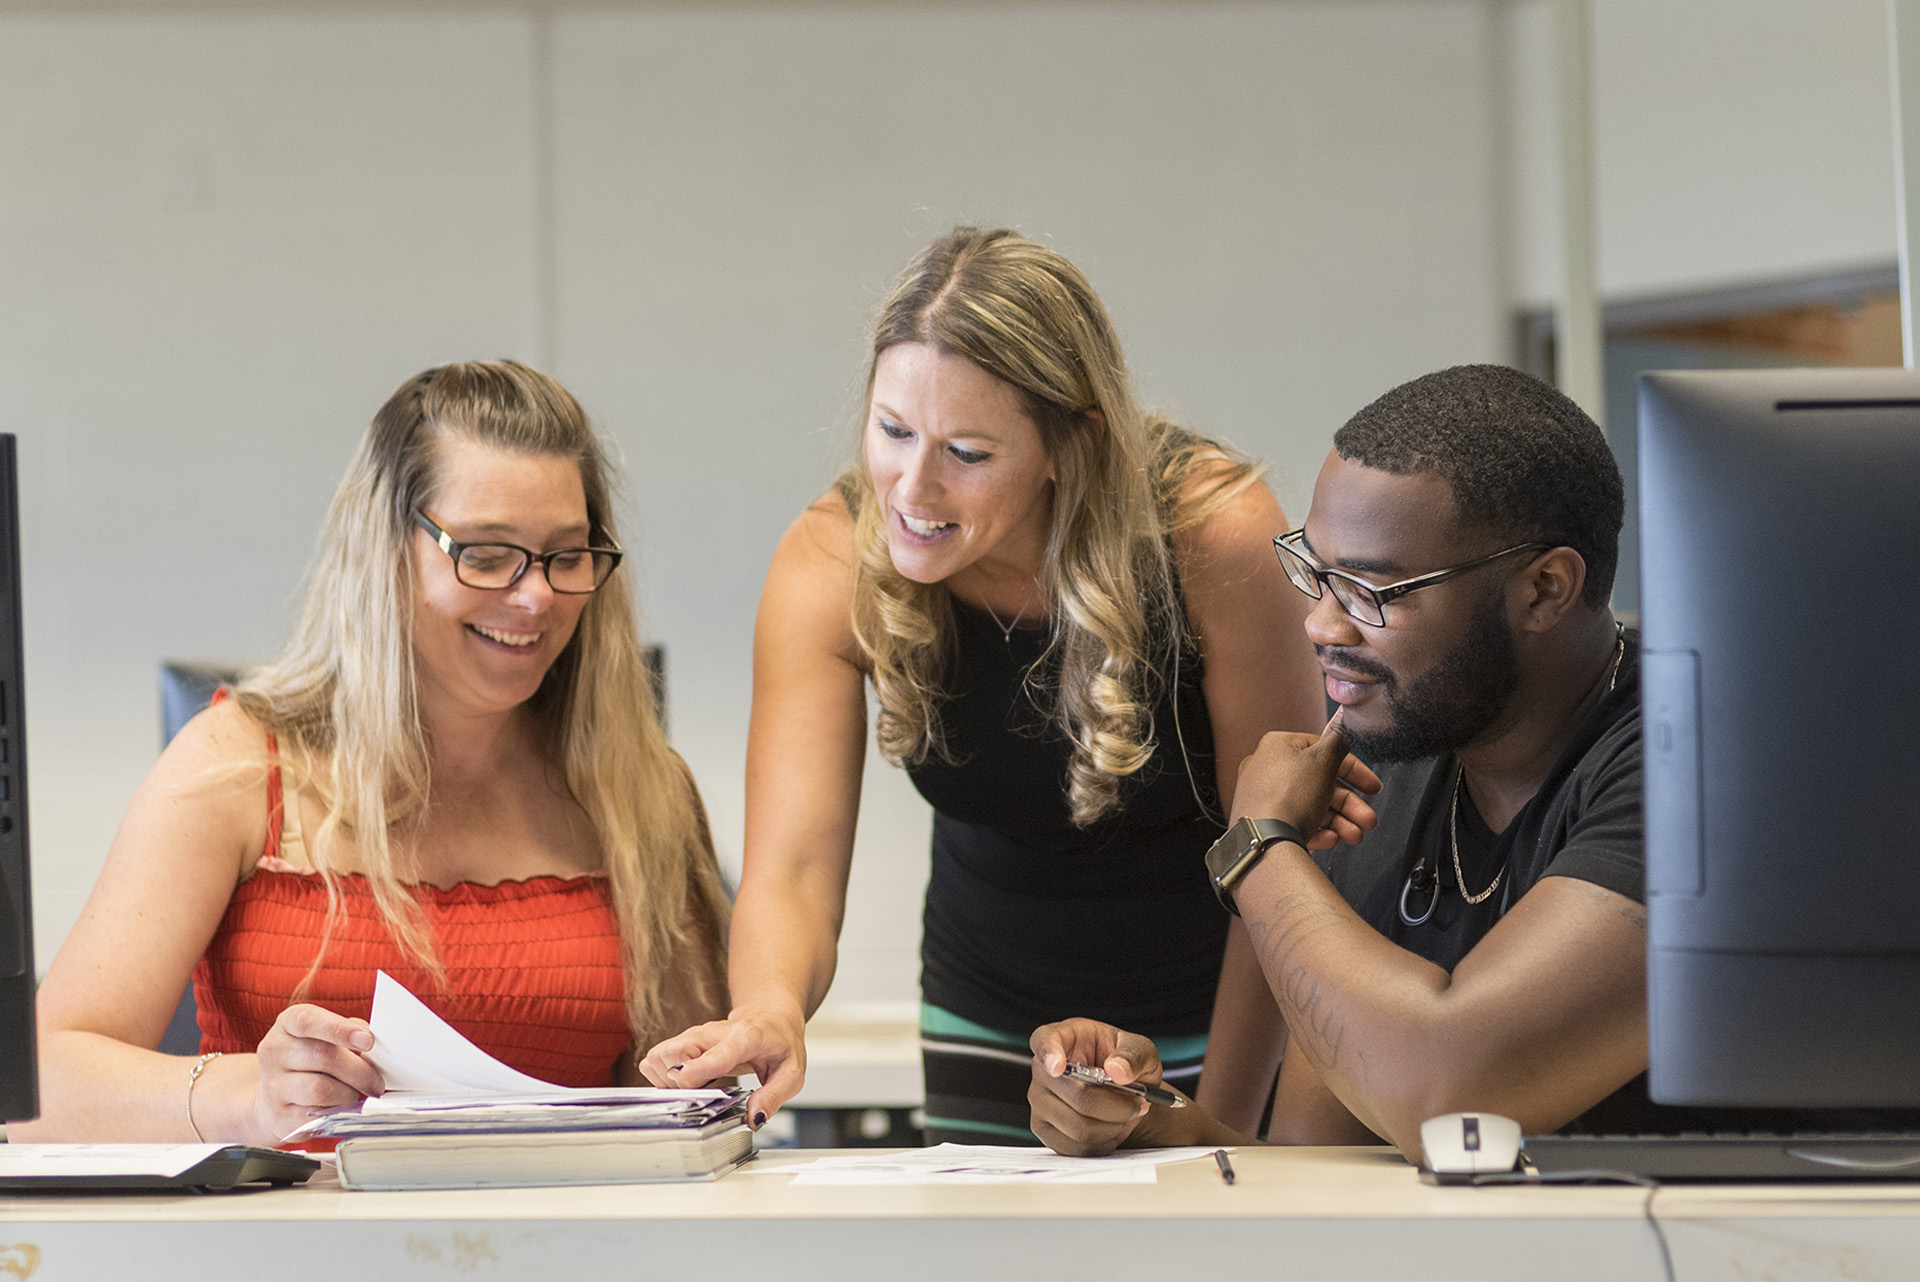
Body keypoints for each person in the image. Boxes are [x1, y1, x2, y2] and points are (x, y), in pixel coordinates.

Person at [643, 227, 1326, 1142]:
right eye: (892, 432)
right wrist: (769, 1008)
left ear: (1069, 442)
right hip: (992, 990)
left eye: (966, 452)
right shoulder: (831, 556)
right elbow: (794, 867)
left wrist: (1223, 1128)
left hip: (1228, 989)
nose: (911, 489)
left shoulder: (1213, 532)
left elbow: (1279, 847)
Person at [19, 360, 730, 1145]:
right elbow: (40, 1086)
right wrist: (246, 1096)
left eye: (566, 556)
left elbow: (688, 1105)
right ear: (388, 550)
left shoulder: (639, 790)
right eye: (488, 554)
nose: (535, 598)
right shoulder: (237, 766)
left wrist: (710, 1072)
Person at [1029, 363, 1660, 1159]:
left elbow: (1455, 1099)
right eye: (1316, 573)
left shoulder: (1690, 767)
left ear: (1543, 589)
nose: (1321, 625)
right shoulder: (1393, 752)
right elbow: (1319, 1153)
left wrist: (1257, 846)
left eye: (1369, 590)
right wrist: (1154, 1123)